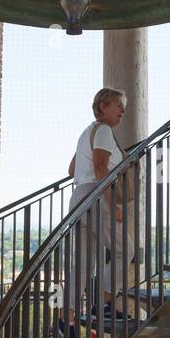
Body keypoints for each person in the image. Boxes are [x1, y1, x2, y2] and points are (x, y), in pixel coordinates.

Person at [68, 87, 136, 319]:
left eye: (123, 107)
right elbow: (100, 169)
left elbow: (70, 170)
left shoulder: (87, 133)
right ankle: (103, 306)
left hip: (79, 198)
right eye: (118, 105)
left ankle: (64, 321)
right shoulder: (104, 131)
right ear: (103, 106)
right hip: (96, 197)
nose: (123, 110)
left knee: (85, 263)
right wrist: (112, 204)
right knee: (125, 249)